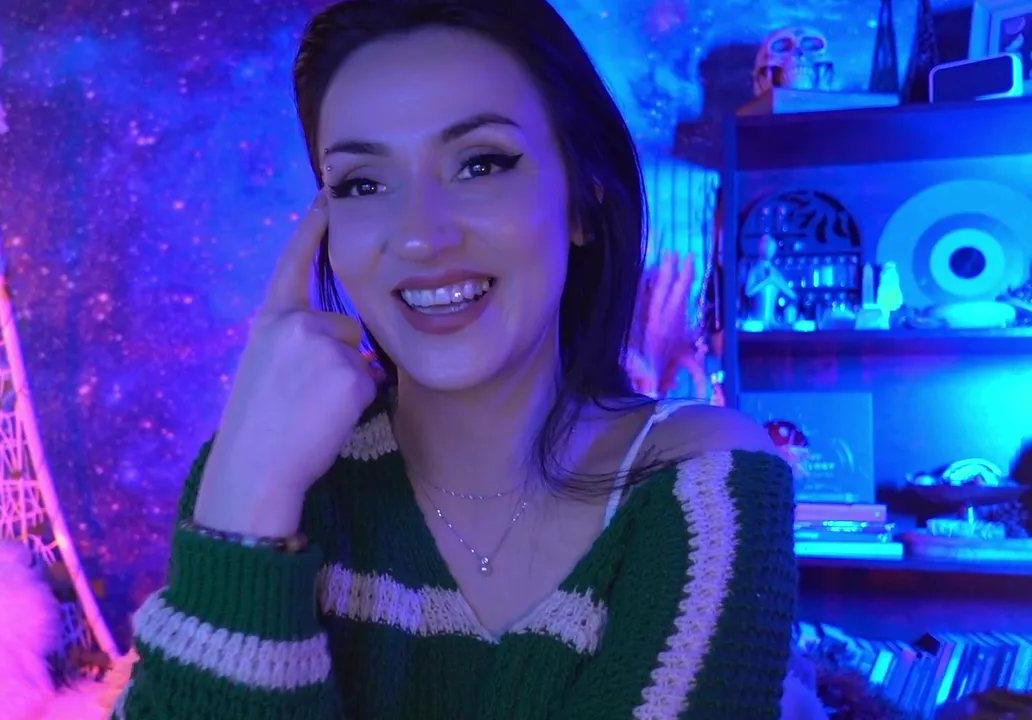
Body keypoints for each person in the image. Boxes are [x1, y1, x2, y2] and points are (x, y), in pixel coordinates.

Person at [115, 0, 805, 717]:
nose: (420, 237)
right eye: (362, 183)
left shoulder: (703, 485)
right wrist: (247, 506)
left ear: (581, 201)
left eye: (480, 164)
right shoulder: (255, 472)